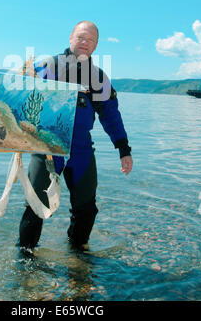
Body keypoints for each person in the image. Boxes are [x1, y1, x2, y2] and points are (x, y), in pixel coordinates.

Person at [18, 21, 133, 252]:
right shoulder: (47, 66)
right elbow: (18, 95)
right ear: (70, 38)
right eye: (81, 37)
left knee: (86, 208)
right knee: (36, 205)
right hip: (47, 150)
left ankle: (78, 254)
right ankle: (26, 258)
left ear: (96, 45)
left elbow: (110, 115)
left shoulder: (98, 76)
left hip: (81, 151)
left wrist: (124, 149)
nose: (85, 43)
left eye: (90, 40)